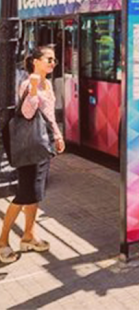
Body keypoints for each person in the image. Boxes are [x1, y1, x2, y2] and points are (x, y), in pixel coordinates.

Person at [0, 47, 66, 264]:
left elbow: (49, 117)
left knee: (36, 194)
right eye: (49, 59)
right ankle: (2, 241)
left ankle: (28, 236)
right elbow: (28, 113)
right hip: (29, 147)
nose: (53, 62)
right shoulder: (29, 84)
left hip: (42, 146)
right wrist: (35, 89)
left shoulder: (47, 83)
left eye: (54, 60)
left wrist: (57, 136)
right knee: (23, 195)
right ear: (36, 62)